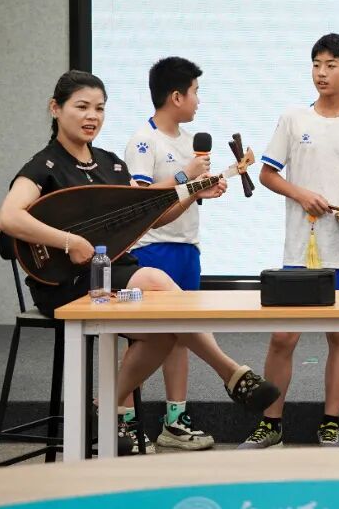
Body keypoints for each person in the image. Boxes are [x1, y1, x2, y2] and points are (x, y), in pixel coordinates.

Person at [0, 70, 280, 455]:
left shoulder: (110, 165)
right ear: (55, 109)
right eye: (81, 107)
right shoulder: (44, 166)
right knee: (157, 282)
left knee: (163, 329)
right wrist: (68, 240)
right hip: (64, 284)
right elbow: (9, 217)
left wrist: (193, 194)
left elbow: (150, 218)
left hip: (111, 277)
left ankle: (104, 406)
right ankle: (230, 371)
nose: (92, 116)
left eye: (99, 108)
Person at [238, 33, 339, 450]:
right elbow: (267, 174)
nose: (322, 73)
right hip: (300, 250)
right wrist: (301, 194)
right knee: (283, 336)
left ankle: (331, 422)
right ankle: (271, 423)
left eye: (331, 65)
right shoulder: (294, 118)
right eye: (317, 64)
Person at [124, 56, 215, 451]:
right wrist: (186, 176)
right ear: (176, 96)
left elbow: (182, 194)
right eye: (195, 92)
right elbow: (141, 199)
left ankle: (175, 421)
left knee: (182, 335)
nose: (198, 100)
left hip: (186, 248)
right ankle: (124, 421)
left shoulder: (187, 142)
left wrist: (203, 188)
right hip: (150, 251)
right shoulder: (144, 141)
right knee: (139, 339)